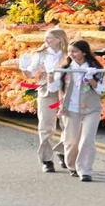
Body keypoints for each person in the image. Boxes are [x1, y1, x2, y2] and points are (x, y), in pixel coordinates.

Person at [20, 28, 71, 171]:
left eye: (50, 38)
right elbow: (30, 74)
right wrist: (24, 68)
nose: (46, 41)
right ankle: (47, 160)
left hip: (65, 92)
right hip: (46, 91)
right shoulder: (40, 54)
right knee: (46, 126)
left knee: (68, 125)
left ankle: (63, 152)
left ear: (59, 39)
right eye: (46, 38)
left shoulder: (68, 54)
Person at [57, 40, 105, 182]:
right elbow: (56, 88)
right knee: (71, 142)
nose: (71, 54)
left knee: (87, 140)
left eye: (75, 51)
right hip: (71, 110)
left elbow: (101, 90)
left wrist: (91, 78)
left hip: (91, 109)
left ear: (84, 52)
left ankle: (85, 170)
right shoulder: (65, 68)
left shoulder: (95, 68)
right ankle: (71, 165)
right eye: (70, 51)